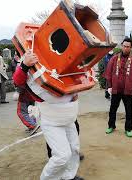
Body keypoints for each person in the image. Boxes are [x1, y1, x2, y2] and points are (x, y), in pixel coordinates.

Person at [13, 52, 84, 180]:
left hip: (69, 115)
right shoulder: (30, 58)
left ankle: (68, 176)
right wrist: (24, 65)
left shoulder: (60, 56)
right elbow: (18, 81)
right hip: (51, 117)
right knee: (62, 155)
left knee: (74, 149)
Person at [104, 38, 132, 137]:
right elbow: (109, 73)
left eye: (128, 46)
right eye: (124, 46)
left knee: (128, 110)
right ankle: (111, 125)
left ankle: (128, 129)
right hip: (116, 88)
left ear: (131, 47)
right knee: (113, 109)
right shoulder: (114, 58)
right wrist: (109, 86)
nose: (125, 48)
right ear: (122, 46)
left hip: (128, 89)